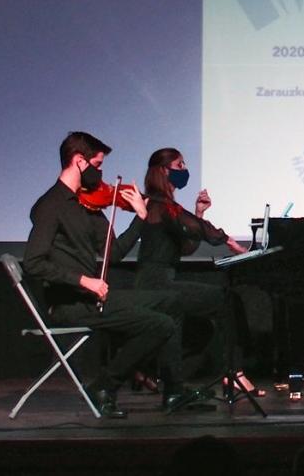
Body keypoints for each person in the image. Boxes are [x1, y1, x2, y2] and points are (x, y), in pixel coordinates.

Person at [23, 131, 202, 418]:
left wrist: (140, 218)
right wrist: (84, 280)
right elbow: (33, 263)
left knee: (172, 301)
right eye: (98, 163)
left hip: (92, 297)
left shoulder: (88, 206)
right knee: (160, 324)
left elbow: (114, 252)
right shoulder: (50, 206)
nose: (101, 171)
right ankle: (104, 386)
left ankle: (174, 391)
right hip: (70, 303)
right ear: (79, 162)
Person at [134, 147, 257, 393]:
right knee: (228, 301)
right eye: (179, 166)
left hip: (158, 280)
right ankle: (235, 373)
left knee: (201, 329)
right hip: (156, 283)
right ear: (163, 171)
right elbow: (196, 227)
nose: (185, 171)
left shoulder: (166, 206)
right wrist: (232, 244)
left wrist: (199, 213)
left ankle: (144, 368)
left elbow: (186, 246)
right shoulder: (158, 204)